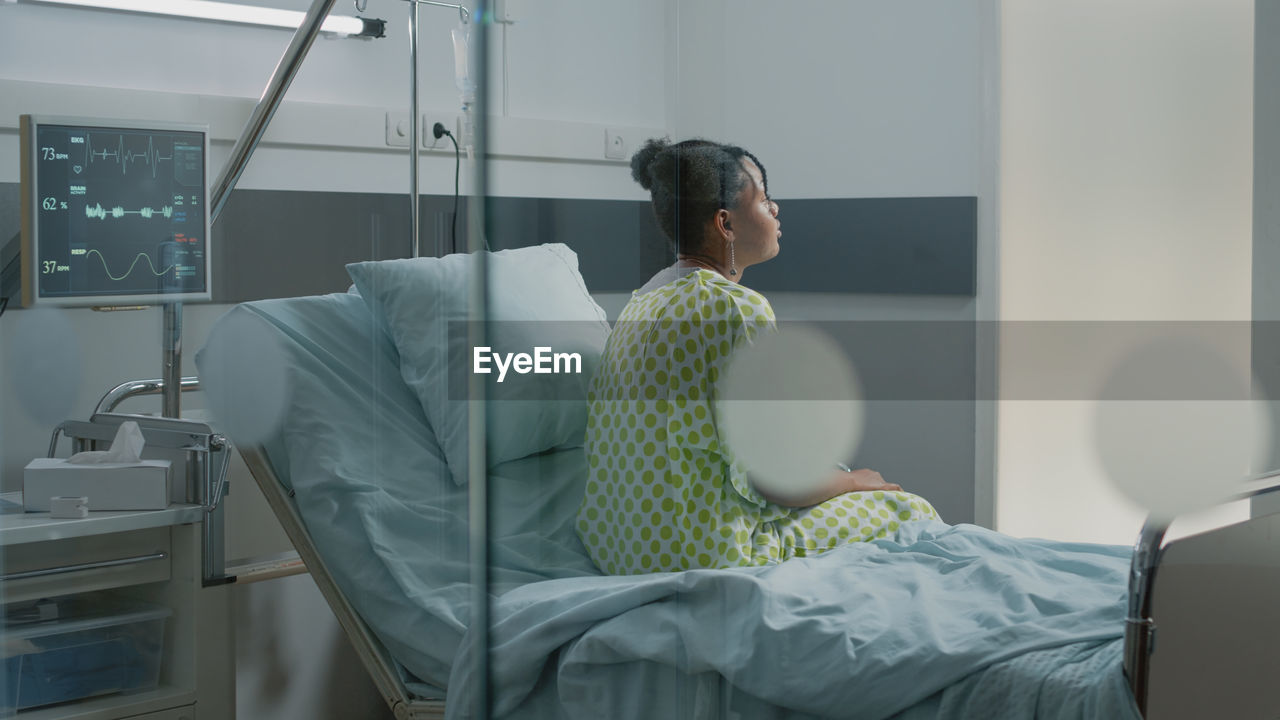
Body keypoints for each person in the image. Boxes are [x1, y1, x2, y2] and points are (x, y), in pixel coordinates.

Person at [575, 138, 939, 575]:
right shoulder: (736, 308)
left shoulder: (641, 302)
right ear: (725, 224)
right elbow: (775, 481)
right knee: (908, 511)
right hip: (701, 555)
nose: (775, 210)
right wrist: (854, 482)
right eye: (764, 199)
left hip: (618, 548)